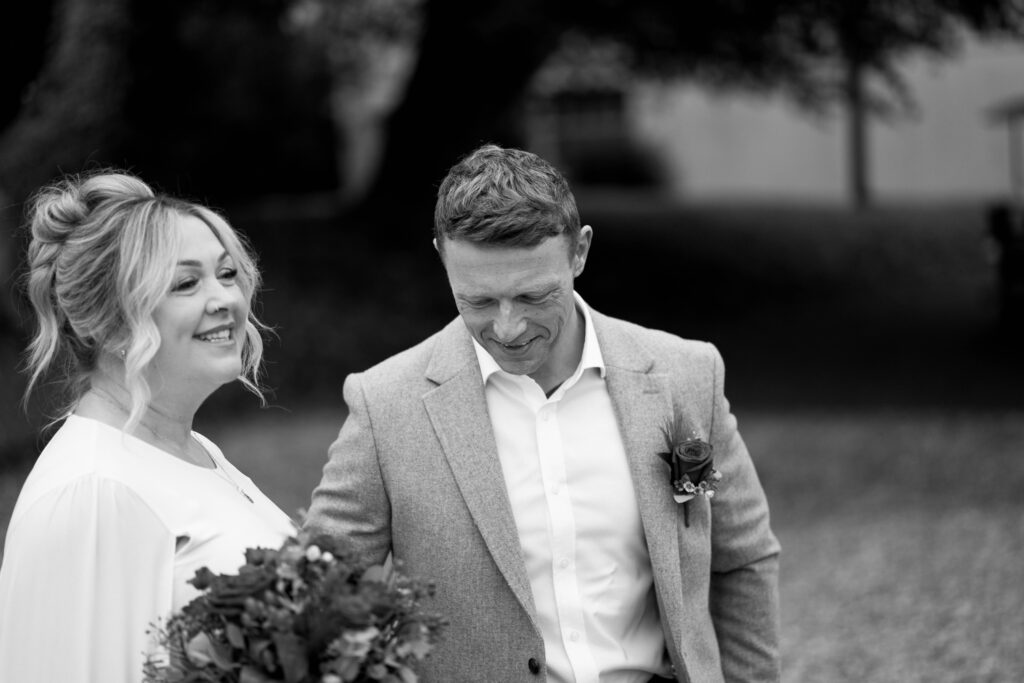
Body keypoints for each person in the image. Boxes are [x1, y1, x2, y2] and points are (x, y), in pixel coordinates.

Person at [305, 144, 781, 682]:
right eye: (478, 302)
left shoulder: (688, 373)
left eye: (534, 296)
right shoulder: (384, 403)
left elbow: (743, 559)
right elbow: (324, 592)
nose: (507, 328)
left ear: (579, 252)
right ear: (441, 255)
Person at [0, 171, 295, 681]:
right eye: (185, 283)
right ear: (105, 323)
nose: (225, 298)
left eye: (227, 274)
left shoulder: (191, 450)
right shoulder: (91, 492)